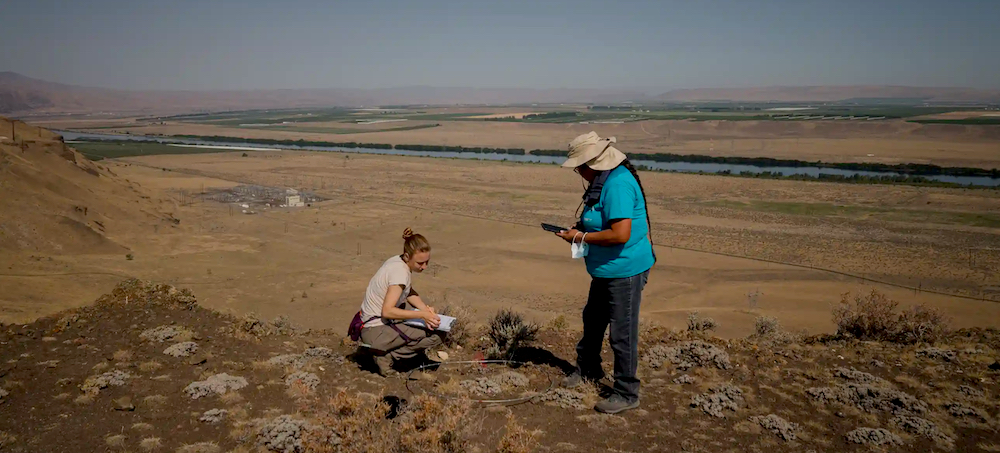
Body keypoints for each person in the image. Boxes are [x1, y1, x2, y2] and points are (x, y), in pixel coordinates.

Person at [553, 131, 655, 414]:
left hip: (625, 269)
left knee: (622, 332)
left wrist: (580, 238)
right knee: (593, 319)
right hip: (606, 268)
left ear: (593, 163)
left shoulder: (618, 184)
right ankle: (588, 370)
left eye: (579, 167)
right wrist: (580, 230)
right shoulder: (604, 181)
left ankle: (626, 392)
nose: (579, 172)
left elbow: (621, 234)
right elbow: (602, 222)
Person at [359, 228, 444, 376]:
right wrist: (422, 315)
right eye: (420, 263)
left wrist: (425, 310)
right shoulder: (400, 273)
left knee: (431, 325)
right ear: (407, 256)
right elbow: (388, 311)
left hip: (372, 326)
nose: (424, 267)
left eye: (427, 262)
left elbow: (407, 291)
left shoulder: (397, 261)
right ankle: (386, 357)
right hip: (375, 330)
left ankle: (390, 352)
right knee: (437, 334)